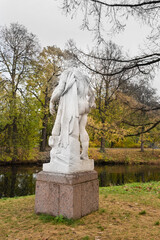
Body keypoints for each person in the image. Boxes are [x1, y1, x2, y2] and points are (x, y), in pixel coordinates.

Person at [49, 59, 95, 160]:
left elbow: (61, 89)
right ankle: (84, 154)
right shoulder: (83, 77)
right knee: (82, 129)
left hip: (75, 105)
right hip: (85, 105)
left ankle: (67, 155)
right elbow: (91, 93)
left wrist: (52, 101)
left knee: (71, 131)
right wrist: (92, 102)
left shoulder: (67, 73)